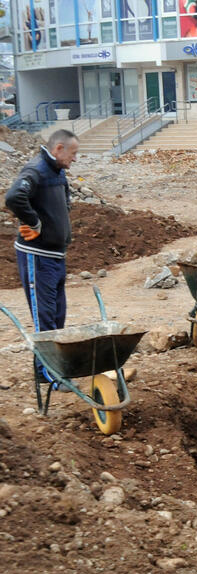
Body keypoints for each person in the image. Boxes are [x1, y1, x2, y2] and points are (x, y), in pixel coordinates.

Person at [6, 130, 79, 389]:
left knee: (57, 313)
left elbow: (64, 202)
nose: (75, 159)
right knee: (45, 316)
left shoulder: (57, 173)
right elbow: (14, 197)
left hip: (55, 255)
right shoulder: (36, 169)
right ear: (59, 148)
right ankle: (47, 373)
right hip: (38, 256)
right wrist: (34, 222)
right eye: (73, 153)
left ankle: (52, 368)